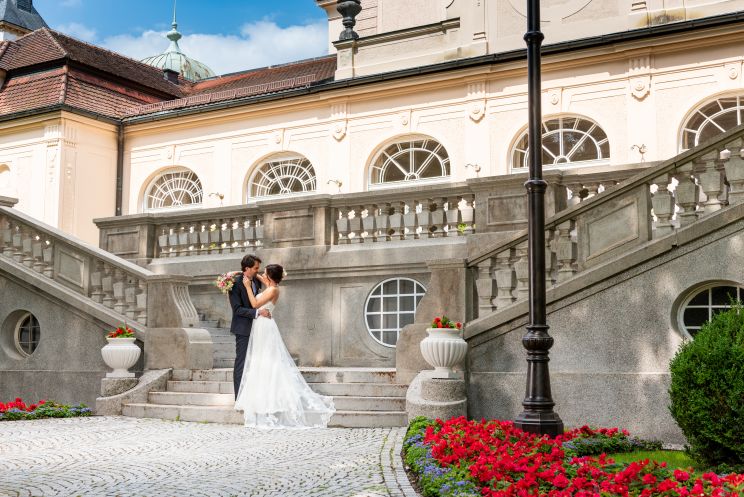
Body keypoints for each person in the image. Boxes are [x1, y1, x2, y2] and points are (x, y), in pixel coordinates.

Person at [233, 263, 336, 429]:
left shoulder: (273, 290)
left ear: (270, 277)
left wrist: (246, 287)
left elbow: (254, 305)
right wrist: (242, 272)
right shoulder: (270, 285)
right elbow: (258, 277)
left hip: (265, 327)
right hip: (260, 326)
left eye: (265, 273)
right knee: (260, 361)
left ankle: (274, 399)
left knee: (269, 361)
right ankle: (260, 397)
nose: (262, 275)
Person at [229, 254, 271, 400]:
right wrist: (258, 312)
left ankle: (253, 396)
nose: (257, 271)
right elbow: (237, 309)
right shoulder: (235, 283)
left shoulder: (256, 282)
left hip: (258, 329)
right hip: (243, 329)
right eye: (255, 268)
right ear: (247, 268)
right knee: (241, 362)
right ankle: (239, 398)